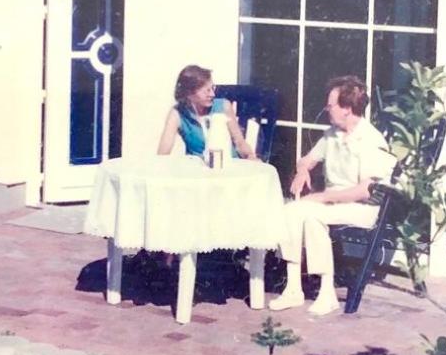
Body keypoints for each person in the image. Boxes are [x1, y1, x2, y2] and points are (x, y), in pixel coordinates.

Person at [268, 75, 395, 316]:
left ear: (347, 109)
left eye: (331, 105)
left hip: (360, 207)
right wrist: (302, 171)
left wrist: (322, 197)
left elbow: (364, 190)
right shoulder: (332, 134)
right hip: (332, 203)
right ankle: (294, 287)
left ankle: (327, 292)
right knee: (292, 211)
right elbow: (306, 160)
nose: (327, 109)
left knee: (313, 215)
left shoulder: (370, 140)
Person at [157, 64, 256, 160]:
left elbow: (239, 142)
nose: (212, 94)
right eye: (207, 91)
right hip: (198, 172)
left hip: (227, 165)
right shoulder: (178, 114)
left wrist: (250, 156)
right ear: (189, 93)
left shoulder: (223, 107)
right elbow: (163, 154)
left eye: (212, 89)